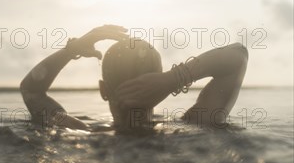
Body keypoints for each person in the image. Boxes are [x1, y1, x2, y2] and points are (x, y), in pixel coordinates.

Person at [20, 24, 248, 131]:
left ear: (103, 89)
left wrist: (72, 50)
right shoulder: (191, 127)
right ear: (159, 92)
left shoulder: (79, 131)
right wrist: (174, 78)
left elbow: (31, 90)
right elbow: (238, 56)